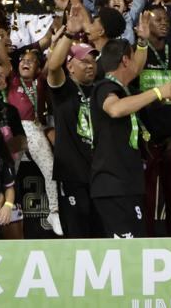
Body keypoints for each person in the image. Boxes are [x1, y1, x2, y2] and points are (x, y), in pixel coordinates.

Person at [91, 39, 171, 237]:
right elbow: (115, 109)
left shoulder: (129, 93)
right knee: (125, 250)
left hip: (129, 182)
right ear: (125, 61)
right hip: (112, 184)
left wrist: (141, 43)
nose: (138, 65)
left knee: (136, 247)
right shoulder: (104, 87)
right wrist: (158, 91)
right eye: (134, 59)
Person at [133, 7, 171, 236]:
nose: (164, 23)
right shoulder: (137, 56)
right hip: (145, 139)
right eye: (158, 19)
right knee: (145, 199)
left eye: (166, 19)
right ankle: (146, 244)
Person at [46, 33, 98, 238]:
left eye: (93, 61)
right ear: (70, 66)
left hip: (98, 171)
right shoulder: (64, 89)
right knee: (77, 231)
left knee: (99, 230)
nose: (91, 65)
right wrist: (68, 34)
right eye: (84, 61)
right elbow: (52, 67)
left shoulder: (100, 89)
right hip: (72, 172)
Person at [6, 47, 61, 234]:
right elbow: (6, 61)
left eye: (31, 61)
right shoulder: (12, 79)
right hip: (14, 128)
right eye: (23, 60)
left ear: (39, 68)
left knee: (50, 168)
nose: (26, 62)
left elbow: (52, 63)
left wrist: (55, 41)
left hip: (34, 127)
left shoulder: (40, 80)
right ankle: (5, 206)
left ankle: (54, 211)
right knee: (9, 170)